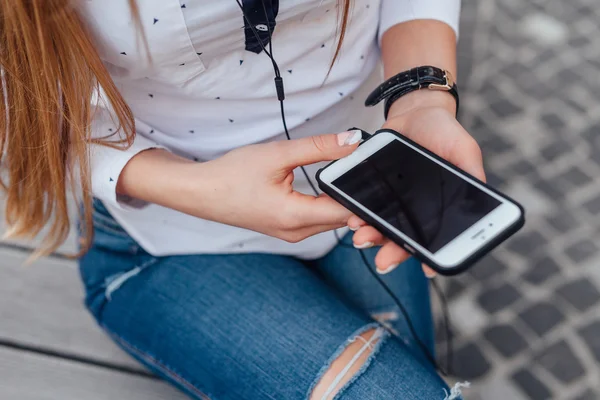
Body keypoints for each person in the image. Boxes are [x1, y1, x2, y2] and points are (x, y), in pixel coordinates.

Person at [0, 0, 484, 398]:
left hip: (363, 191)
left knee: (417, 371)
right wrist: (202, 190)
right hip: (168, 240)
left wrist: (422, 98)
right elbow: (20, 106)